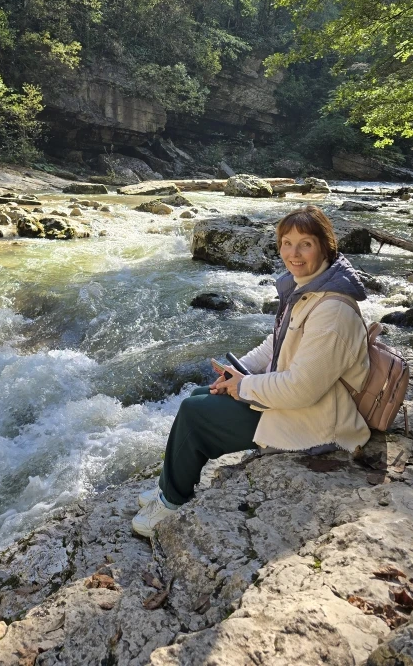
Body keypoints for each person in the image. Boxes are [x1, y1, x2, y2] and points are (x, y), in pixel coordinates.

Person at [132, 205, 371, 538]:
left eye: (305, 244)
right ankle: (169, 485)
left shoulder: (331, 311)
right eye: (286, 243)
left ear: (326, 247)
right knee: (202, 394)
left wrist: (245, 387)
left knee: (194, 412)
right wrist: (237, 371)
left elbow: (303, 389)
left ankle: (172, 502)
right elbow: (274, 346)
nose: (293, 253)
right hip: (301, 403)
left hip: (318, 420)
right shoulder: (307, 290)